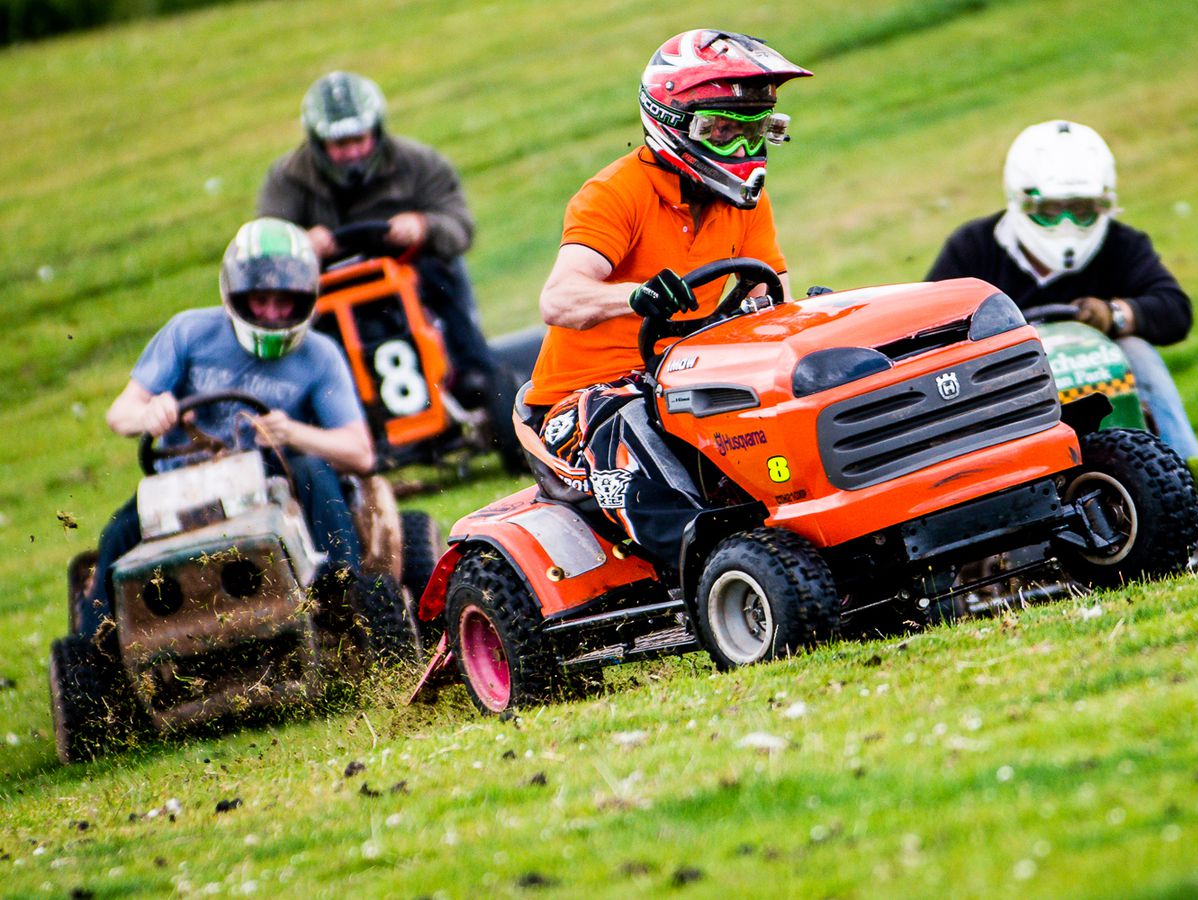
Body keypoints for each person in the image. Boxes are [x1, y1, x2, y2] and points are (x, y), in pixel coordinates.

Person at [522, 29, 809, 567]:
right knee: (630, 414)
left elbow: (776, 302)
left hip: (680, 377)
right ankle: (710, 560)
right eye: (723, 131)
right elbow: (558, 300)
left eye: (756, 132)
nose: (743, 150)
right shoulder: (615, 193)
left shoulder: (748, 204)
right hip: (578, 403)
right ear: (672, 124)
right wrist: (635, 297)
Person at [79, 217, 378, 639]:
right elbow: (119, 413)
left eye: (285, 301)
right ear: (235, 294)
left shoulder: (320, 354)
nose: (273, 313)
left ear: (307, 298)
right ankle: (98, 646)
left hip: (271, 480)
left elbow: (360, 452)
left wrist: (293, 433)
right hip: (182, 485)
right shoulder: (188, 332)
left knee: (315, 473)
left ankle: (344, 598)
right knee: (119, 532)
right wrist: (151, 413)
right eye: (261, 300)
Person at [926, 119, 1198, 460]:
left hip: (1100, 387)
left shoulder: (1120, 244)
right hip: (1005, 387)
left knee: (1136, 351)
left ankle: (1184, 467)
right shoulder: (974, 248)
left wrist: (1112, 316)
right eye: (1052, 211)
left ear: (1103, 205)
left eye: (1082, 210)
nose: (1066, 223)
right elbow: (930, 330)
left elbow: (1174, 310)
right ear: (1022, 202)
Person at [257, 70, 497, 405]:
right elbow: (261, 256)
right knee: (284, 313)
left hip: (411, 278)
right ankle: (324, 406)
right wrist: (298, 244)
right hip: (330, 293)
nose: (352, 152)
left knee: (444, 269)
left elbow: (461, 227)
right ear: (317, 141)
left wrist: (423, 226)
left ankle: (474, 375)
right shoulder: (286, 179)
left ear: (377, 131)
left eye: (359, 140)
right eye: (340, 144)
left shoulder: (418, 163)